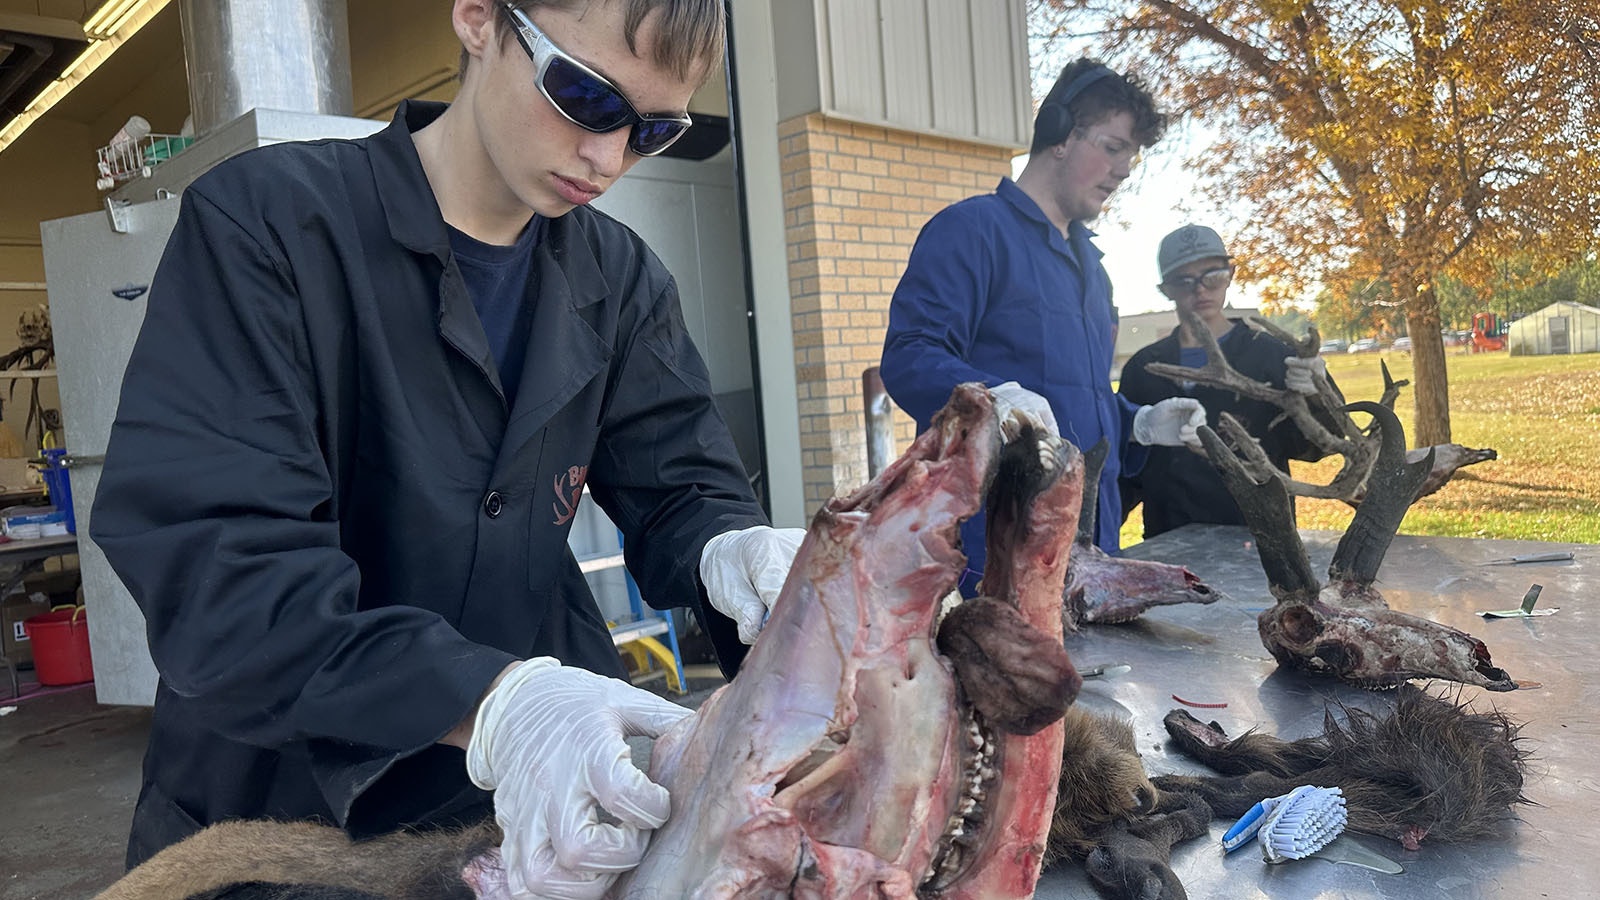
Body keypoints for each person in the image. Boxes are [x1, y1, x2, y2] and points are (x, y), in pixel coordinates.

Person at [89, 1, 804, 897]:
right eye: (585, 96)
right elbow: (220, 567)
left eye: (653, 129)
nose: (609, 157)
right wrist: (487, 699)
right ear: (477, 17)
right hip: (279, 815)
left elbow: (680, 486)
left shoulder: (618, 282)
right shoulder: (268, 228)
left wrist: (729, 550)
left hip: (538, 824)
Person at [880, 57, 1206, 594]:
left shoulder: (1092, 271)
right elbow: (911, 355)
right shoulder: (972, 231)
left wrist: (1140, 422)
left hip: (1093, 549)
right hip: (996, 555)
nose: (1125, 169)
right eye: (1113, 146)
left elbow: (1073, 400)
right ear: (1058, 134)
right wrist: (991, 401)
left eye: (1132, 155)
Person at [1117, 224, 1334, 538]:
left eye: (1212, 276)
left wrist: (1318, 394)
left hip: (1260, 542)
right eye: (1185, 280)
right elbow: (1126, 472)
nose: (1201, 290)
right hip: (1170, 541)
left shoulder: (1270, 355)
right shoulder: (1145, 368)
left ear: (1230, 274)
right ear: (1166, 289)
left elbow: (1314, 448)